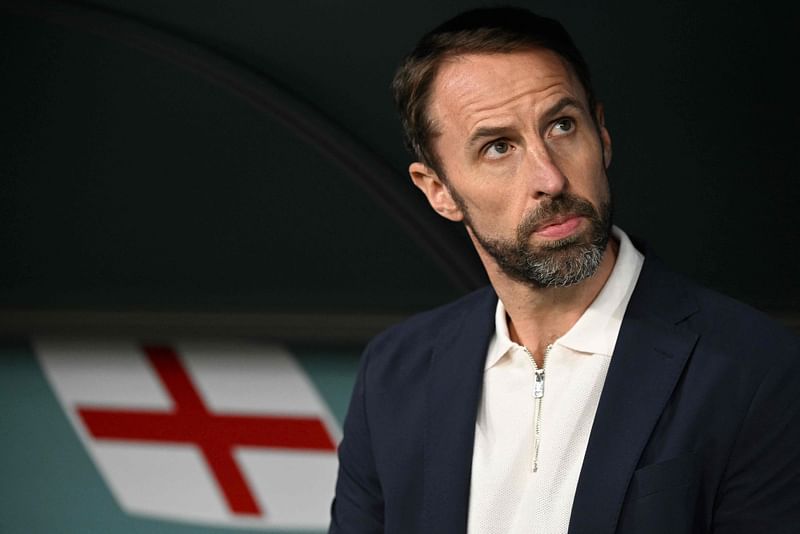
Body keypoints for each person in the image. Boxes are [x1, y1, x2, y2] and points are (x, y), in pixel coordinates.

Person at [328, 6, 799, 534]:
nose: (549, 178)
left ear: (601, 134)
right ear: (438, 191)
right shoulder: (393, 374)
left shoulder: (755, 370)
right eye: (498, 147)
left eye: (561, 126)